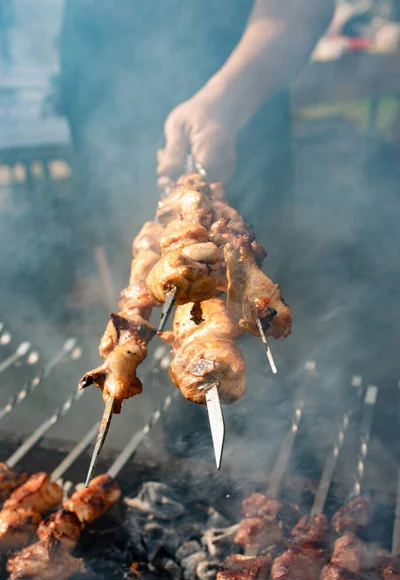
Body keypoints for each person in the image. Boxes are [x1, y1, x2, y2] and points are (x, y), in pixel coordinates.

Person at [58, 0, 334, 463]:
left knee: (276, 367)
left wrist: (224, 101)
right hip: (108, 135)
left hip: (240, 113)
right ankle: (187, 464)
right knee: (143, 297)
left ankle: (287, 454)